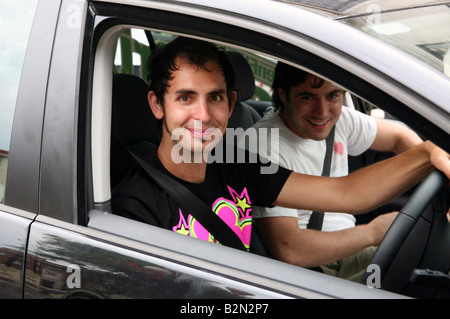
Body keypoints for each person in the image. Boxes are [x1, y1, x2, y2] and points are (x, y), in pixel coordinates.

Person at [111, 37, 450, 257]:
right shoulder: (136, 206)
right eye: (186, 97)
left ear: (230, 104)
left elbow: (347, 194)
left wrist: (428, 152)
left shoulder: (237, 164)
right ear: (157, 105)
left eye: (214, 97)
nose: (203, 115)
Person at [247, 61, 424, 281]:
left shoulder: (339, 120)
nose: (322, 112)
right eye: (307, 97)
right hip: (316, 270)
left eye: (333, 96)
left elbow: (399, 136)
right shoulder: (262, 147)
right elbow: (290, 250)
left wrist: (435, 169)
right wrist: (373, 233)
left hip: (350, 250)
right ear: (283, 95)